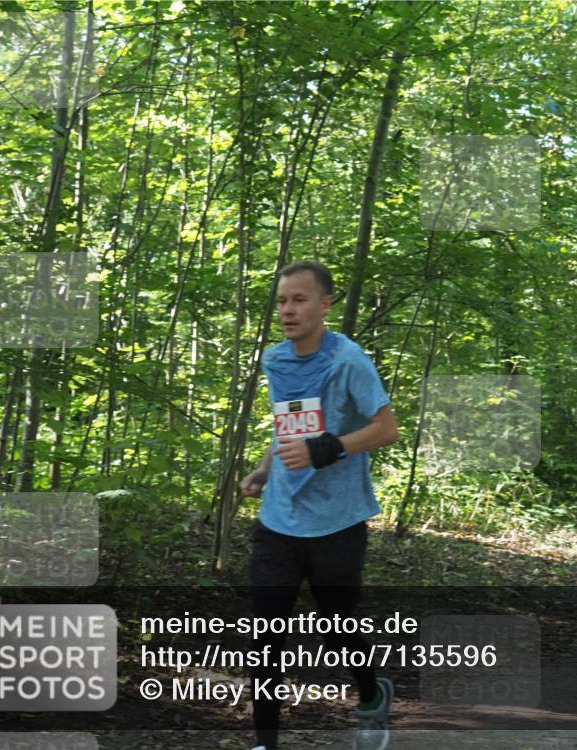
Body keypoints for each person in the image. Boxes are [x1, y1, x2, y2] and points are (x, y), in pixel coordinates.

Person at [238, 261, 399, 750]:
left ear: (325, 304)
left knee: (338, 631)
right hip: (279, 518)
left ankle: (372, 695)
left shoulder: (348, 360)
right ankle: (265, 742)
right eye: (282, 301)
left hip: (336, 522)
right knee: (264, 635)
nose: (287, 310)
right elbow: (287, 425)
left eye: (299, 300)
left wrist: (326, 449)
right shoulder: (276, 360)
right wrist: (266, 469)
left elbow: (386, 429)